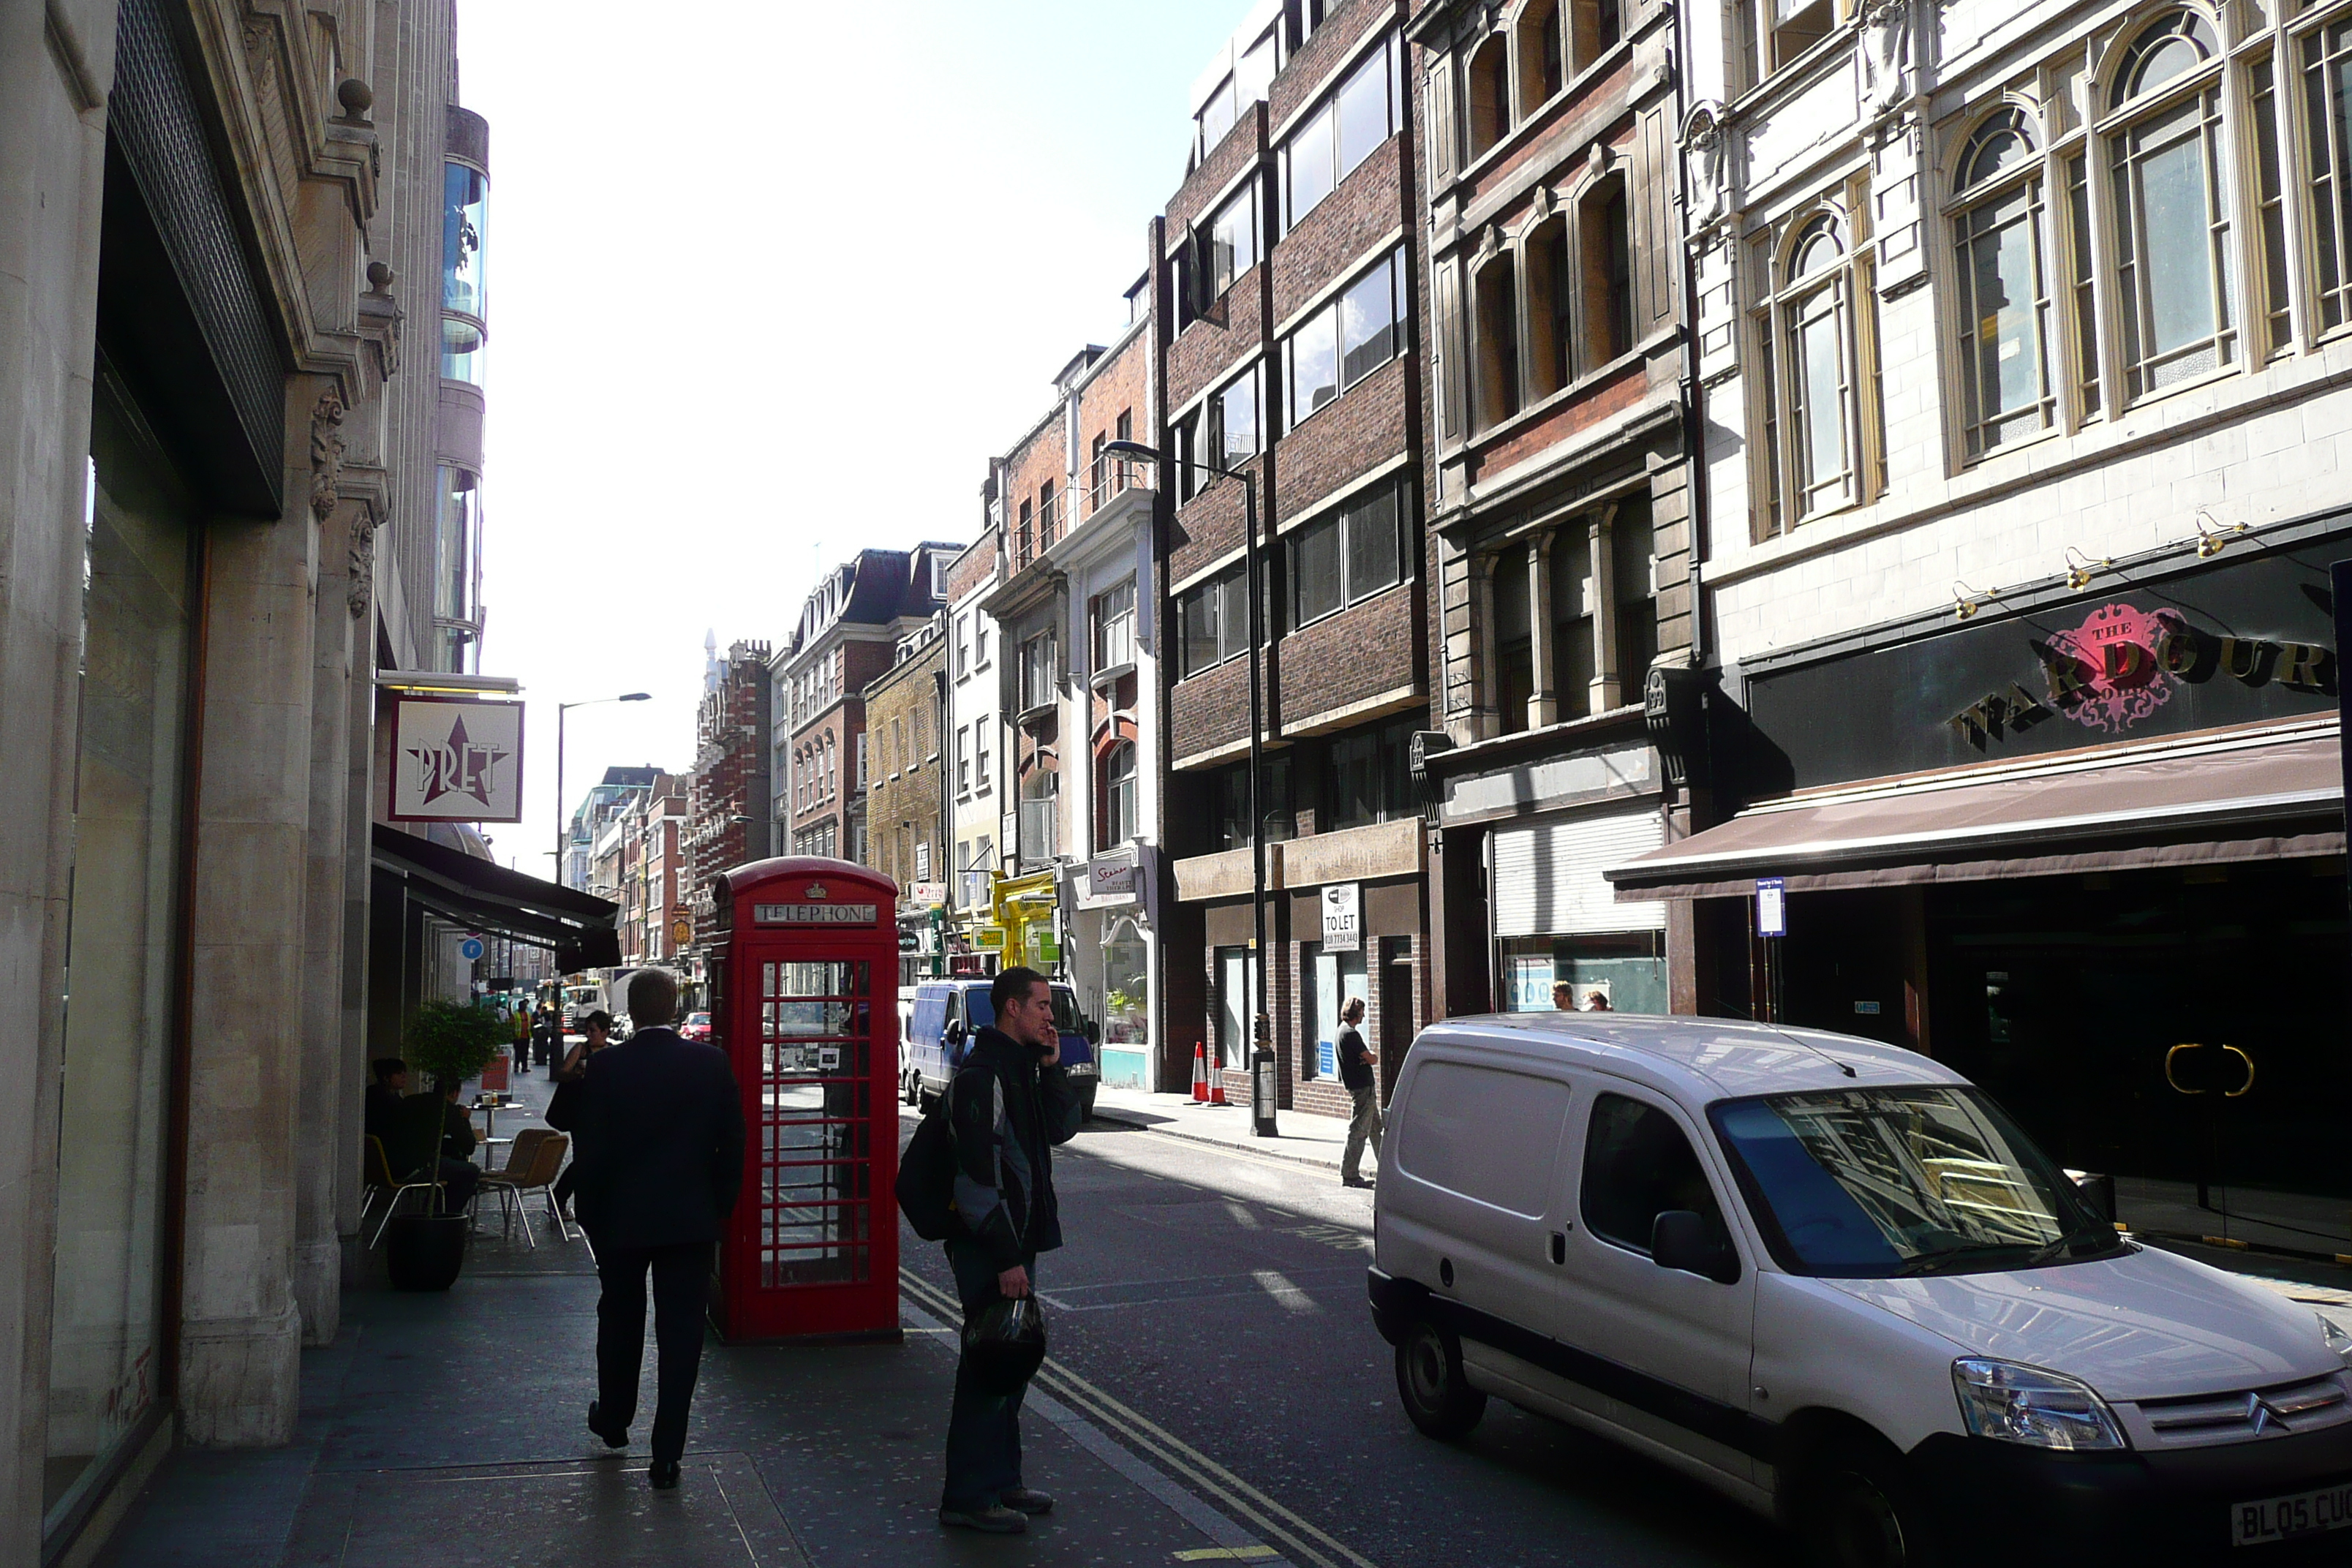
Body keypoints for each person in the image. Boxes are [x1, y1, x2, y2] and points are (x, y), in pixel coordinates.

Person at [572, 970, 743, 1491]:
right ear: (672, 1009)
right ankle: (667, 1455)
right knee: (681, 1335)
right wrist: (718, 1210)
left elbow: (591, 1151)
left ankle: (616, 1418)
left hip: (622, 1219)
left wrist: (591, 1215)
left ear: (634, 1012)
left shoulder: (606, 1067)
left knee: (620, 1319)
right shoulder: (710, 1063)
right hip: (689, 1221)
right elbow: (732, 1147)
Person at [938, 966, 1083, 1535]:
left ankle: (1001, 1480)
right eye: (1042, 1007)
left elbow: (1062, 1128)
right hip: (989, 1246)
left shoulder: (1022, 1067)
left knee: (1011, 1361)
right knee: (987, 1364)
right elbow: (974, 1182)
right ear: (1011, 1010)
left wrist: (1052, 1066)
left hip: (1017, 1241)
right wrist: (1005, 1257)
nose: (1051, 1016)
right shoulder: (982, 1075)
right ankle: (968, 1495)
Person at [546, 1009, 611, 1221]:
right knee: (584, 1158)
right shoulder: (581, 1050)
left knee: (595, 1158)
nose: (590, 1034)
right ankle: (560, 1196)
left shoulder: (611, 1052)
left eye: (594, 1031)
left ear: (605, 1032)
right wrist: (577, 1073)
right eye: (588, 1030)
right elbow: (561, 1073)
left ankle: (565, 1196)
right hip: (580, 1113)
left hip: (602, 1114)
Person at [1336, 997, 1382, 1189]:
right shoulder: (1351, 1034)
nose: (1364, 1015)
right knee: (1359, 1132)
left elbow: (1365, 1059)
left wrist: (1366, 1058)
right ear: (1355, 1013)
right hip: (1362, 1089)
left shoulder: (1342, 1031)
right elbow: (1371, 1059)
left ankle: (1387, 1168)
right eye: (1362, 1011)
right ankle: (1350, 1174)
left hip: (1362, 1088)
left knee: (1376, 1130)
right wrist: (1370, 1057)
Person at [365, 1059, 409, 1142]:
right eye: (398, 1073)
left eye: (404, 1073)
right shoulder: (376, 1096)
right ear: (386, 1077)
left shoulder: (396, 1097)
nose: (404, 1076)